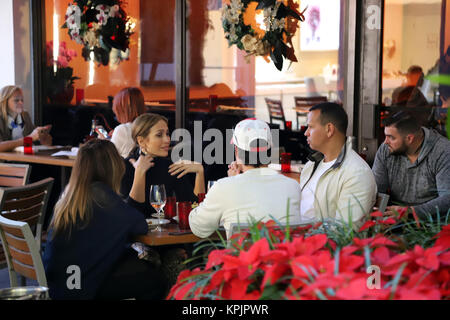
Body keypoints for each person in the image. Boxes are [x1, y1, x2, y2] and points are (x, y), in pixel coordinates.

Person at [43, 139, 167, 300]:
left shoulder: (69, 196)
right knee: (155, 281)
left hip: (60, 285)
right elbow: (139, 225)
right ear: (112, 166)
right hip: (82, 288)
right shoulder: (103, 197)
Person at [189, 119, 302, 239]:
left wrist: (232, 182)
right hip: (283, 257)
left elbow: (198, 228)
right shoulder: (292, 186)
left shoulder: (224, 187)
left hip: (242, 257)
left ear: (236, 151)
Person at [300, 103, 377, 229]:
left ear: (329, 129)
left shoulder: (357, 173)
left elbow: (344, 230)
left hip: (320, 244)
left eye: (310, 127)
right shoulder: (311, 164)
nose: (306, 133)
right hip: (297, 238)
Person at [120, 113, 205, 217]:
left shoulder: (170, 166)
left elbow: (195, 209)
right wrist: (139, 173)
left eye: (167, 134)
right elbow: (129, 215)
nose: (167, 140)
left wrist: (199, 173)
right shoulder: (125, 167)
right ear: (141, 141)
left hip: (165, 232)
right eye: (159, 135)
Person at [372, 111, 450, 219]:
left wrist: (410, 212)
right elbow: (376, 190)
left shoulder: (443, 151)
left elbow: (447, 198)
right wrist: (376, 219)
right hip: (391, 220)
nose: (385, 142)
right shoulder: (386, 150)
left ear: (409, 138)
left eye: (391, 137)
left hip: (431, 224)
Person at [0, 85, 52, 152]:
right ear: (4, 102)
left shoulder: (25, 116)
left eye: (22, 100)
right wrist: (29, 138)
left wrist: (42, 139)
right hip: (5, 161)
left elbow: (32, 139)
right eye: (16, 100)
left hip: (24, 159)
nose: (21, 103)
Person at [110, 87, 147, 158]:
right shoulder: (147, 126)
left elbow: (109, 158)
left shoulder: (123, 129)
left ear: (120, 109)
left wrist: (103, 144)